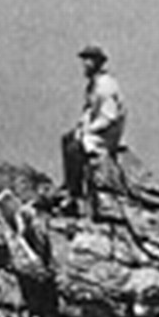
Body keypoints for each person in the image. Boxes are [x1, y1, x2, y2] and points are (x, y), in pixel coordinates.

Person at [61, 44, 127, 218]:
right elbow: (89, 111)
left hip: (106, 134)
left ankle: (74, 195)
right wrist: (80, 127)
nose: (85, 65)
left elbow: (109, 116)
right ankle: (70, 186)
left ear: (97, 63)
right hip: (96, 129)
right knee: (67, 139)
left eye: (88, 60)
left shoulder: (105, 85)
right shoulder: (93, 85)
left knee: (75, 148)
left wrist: (88, 131)